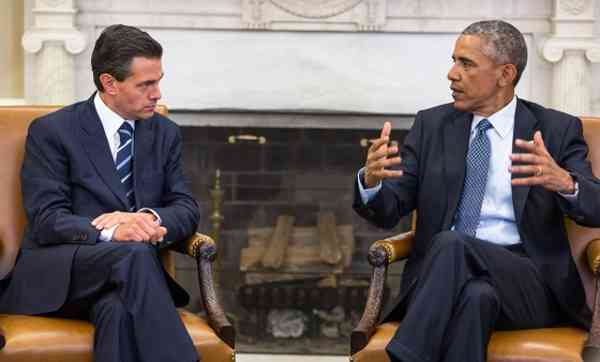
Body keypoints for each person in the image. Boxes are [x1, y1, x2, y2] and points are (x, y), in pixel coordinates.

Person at [353, 19, 600, 362]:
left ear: (505, 74)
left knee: (453, 242)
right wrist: (372, 183)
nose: (452, 74)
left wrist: (565, 182)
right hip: (446, 278)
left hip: (529, 282)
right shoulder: (431, 126)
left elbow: (596, 206)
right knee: (476, 298)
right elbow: (389, 209)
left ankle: (405, 357)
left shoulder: (555, 129)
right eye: (454, 61)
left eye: (466, 64)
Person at [0, 24, 201, 362]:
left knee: (119, 311)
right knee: (134, 254)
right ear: (109, 83)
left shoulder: (165, 134)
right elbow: (48, 220)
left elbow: (186, 207)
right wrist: (111, 229)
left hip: (128, 283)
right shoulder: (53, 131)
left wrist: (147, 219)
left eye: (159, 81)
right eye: (146, 84)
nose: (157, 94)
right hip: (60, 274)